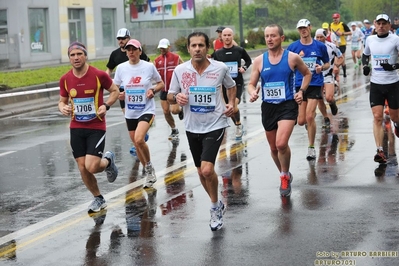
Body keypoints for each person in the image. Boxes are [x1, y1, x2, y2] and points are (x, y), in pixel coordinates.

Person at [167, 32, 237, 231]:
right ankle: (216, 202)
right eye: (193, 45)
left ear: (207, 48)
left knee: (207, 169)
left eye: (201, 45)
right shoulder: (180, 70)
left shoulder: (220, 68)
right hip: (192, 126)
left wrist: (231, 103)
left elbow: (231, 87)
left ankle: (214, 206)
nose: (197, 49)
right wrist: (177, 97)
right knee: (200, 171)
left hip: (215, 124)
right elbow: (170, 95)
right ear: (188, 49)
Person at [247, 24, 311, 197]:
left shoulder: (292, 58)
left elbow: (307, 74)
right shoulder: (260, 60)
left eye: (273, 36)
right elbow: (251, 83)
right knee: (273, 148)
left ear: (281, 38)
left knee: (281, 143)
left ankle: (283, 176)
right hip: (268, 107)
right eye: (267, 36)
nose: (269, 39)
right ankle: (285, 173)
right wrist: (253, 92)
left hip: (287, 105)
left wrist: (301, 91)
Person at [58, 41, 119, 213]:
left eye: (79, 54)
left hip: (96, 126)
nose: (76, 58)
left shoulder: (99, 75)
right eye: (72, 55)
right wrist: (63, 107)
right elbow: (62, 101)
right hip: (76, 126)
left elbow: (115, 91)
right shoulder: (65, 79)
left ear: (85, 55)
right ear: (69, 58)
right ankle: (98, 198)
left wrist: (106, 106)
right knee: (82, 166)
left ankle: (108, 162)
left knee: (92, 166)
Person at [113, 39, 165, 188]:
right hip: (130, 112)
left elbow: (160, 83)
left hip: (146, 109)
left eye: (134, 49)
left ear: (140, 51)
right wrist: (120, 95)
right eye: (128, 49)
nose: (131, 52)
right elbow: (115, 88)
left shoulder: (148, 66)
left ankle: (148, 167)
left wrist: (153, 90)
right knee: (137, 144)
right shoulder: (121, 68)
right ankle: (149, 173)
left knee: (139, 139)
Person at [287, 19, 330, 160]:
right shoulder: (293, 47)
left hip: (315, 83)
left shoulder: (320, 46)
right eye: (300, 28)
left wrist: (321, 68)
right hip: (299, 85)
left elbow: (327, 63)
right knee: (301, 121)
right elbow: (286, 65)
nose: (303, 30)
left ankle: (311, 148)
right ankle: (309, 123)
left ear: (310, 28)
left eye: (305, 28)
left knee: (310, 116)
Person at [361, 14, 399, 164]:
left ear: (389, 25)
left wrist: (394, 66)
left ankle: (396, 124)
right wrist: (365, 65)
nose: (381, 26)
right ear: (375, 25)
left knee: (395, 117)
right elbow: (365, 56)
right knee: (377, 117)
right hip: (376, 84)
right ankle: (380, 151)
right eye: (379, 23)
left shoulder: (395, 39)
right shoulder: (370, 40)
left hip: (393, 83)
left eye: (384, 24)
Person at [214, 27, 252, 139]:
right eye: (224, 35)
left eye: (229, 35)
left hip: (237, 83)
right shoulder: (218, 53)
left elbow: (248, 60)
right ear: (222, 37)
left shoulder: (239, 50)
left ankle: (238, 125)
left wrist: (244, 68)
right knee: (229, 108)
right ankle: (237, 124)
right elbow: (212, 64)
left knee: (233, 105)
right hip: (225, 85)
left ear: (232, 36)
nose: (227, 37)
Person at [105, 28, 150, 114]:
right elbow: (109, 69)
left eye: (123, 38)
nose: (121, 41)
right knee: (128, 116)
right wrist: (105, 81)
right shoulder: (115, 54)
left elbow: (150, 65)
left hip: (138, 88)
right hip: (123, 90)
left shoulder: (137, 51)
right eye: (119, 39)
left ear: (129, 38)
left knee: (140, 114)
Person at [154, 38, 184, 140]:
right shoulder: (157, 61)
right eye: (161, 48)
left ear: (169, 47)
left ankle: (180, 111)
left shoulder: (176, 58)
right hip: (163, 90)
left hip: (174, 89)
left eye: (164, 48)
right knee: (166, 111)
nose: (162, 50)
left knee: (174, 110)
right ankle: (174, 129)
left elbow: (185, 69)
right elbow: (153, 74)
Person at [315, 28, 344, 128]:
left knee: (328, 97)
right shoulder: (312, 47)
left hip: (328, 75)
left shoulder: (332, 46)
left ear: (325, 37)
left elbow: (341, 58)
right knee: (319, 99)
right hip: (316, 77)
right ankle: (326, 117)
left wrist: (336, 66)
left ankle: (332, 103)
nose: (319, 39)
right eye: (317, 37)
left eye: (321, 37)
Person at [330, 13, 352, 83]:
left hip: (342, 44)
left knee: (342, 61)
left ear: (339, 18)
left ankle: (345, 75)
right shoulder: (331, 25)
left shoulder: (342, 24)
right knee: (336, 61)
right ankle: (336, 76)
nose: (335, 19)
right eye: (334, 18)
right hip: (334, 45)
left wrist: (342, 33)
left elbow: (350, 32)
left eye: (336, 18)